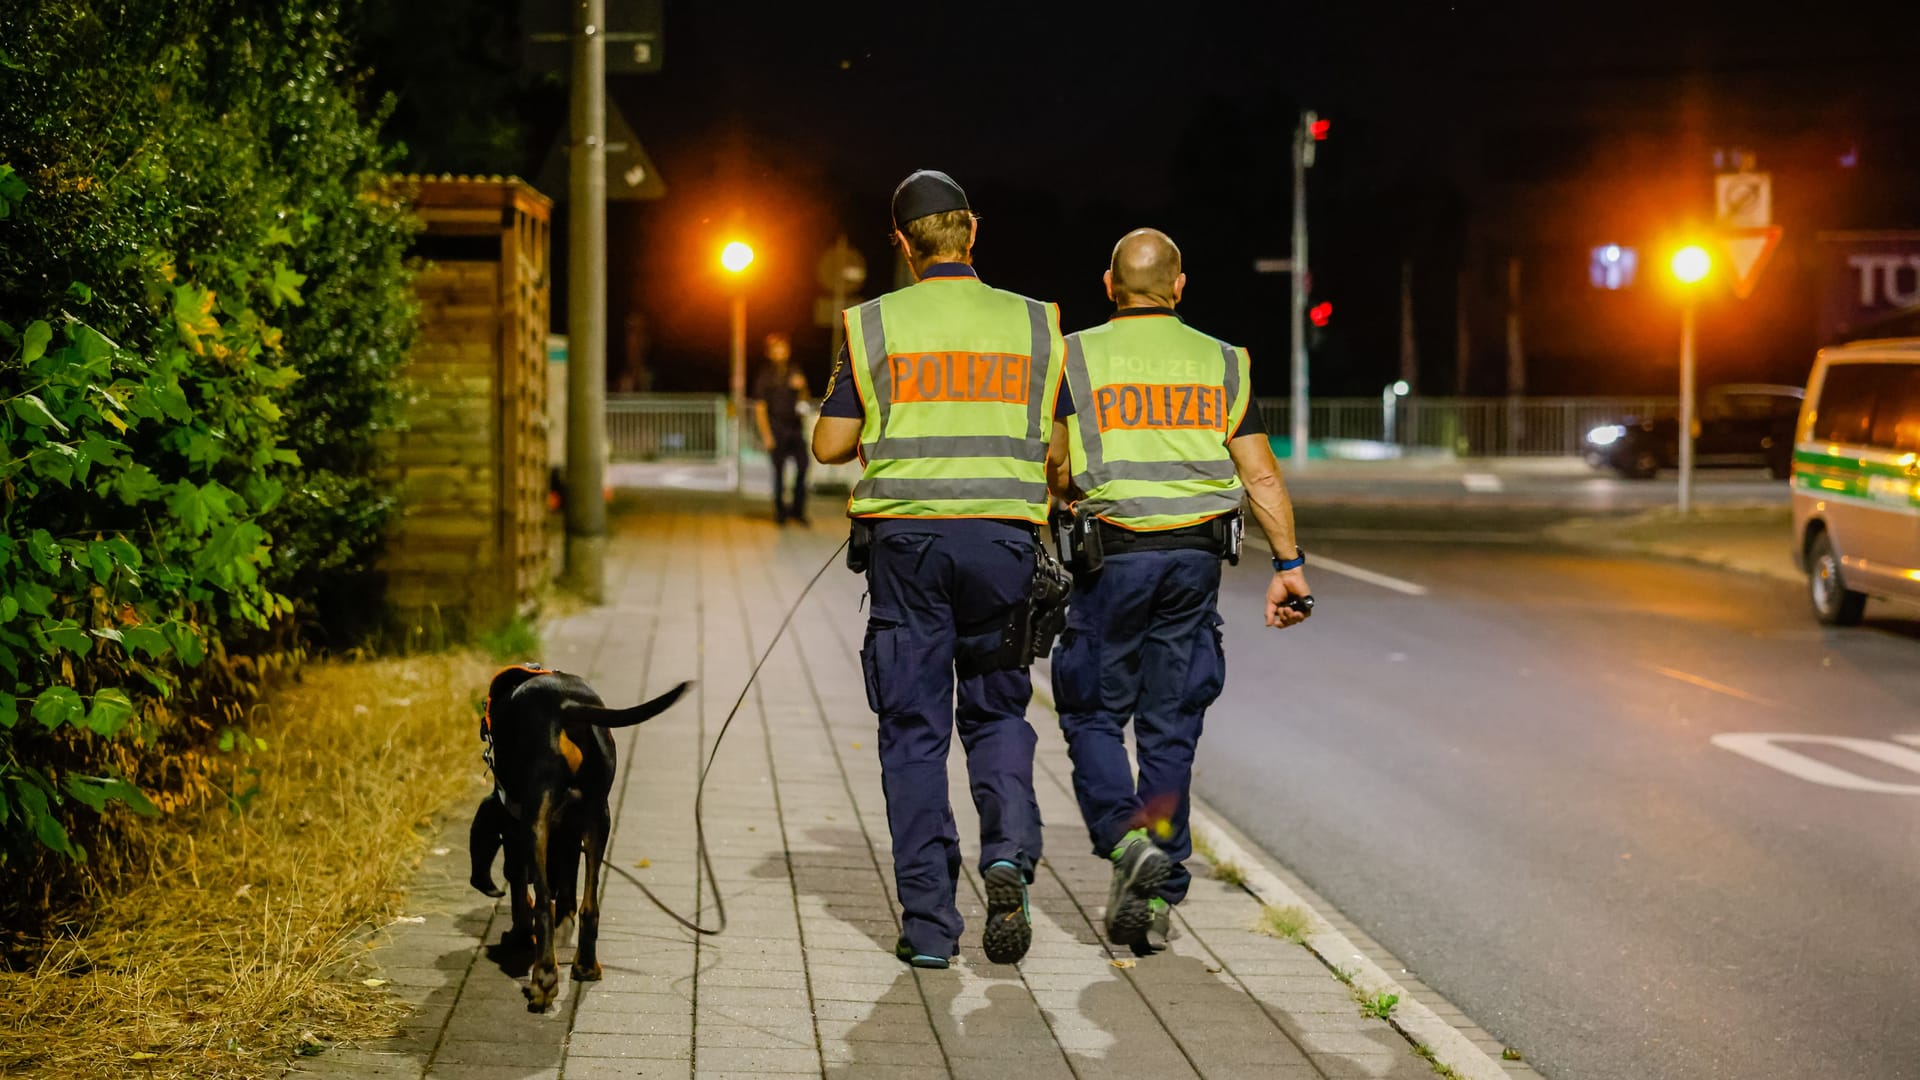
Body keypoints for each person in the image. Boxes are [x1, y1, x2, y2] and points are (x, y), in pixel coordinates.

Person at [813, 170, 1067, 969]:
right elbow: (1058, 454)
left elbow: (826, 445)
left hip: (910, 553)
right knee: (997, 715)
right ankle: (1008, 856)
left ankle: (929, 930)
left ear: (901, 242)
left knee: (913, 734)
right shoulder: (1037, 324)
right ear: (972, 231)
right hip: (1003, 548)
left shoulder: (871, 327)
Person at [1045, 228, 1312, 956]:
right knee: (1169, 725)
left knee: (1093, 711)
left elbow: (1057, 462)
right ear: (1179, 285)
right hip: (1194, 562)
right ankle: (1160, 889)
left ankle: (1126, 844)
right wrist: (1288, 564)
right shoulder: (1223, 361)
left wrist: (1059, 501)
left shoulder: (1074, 355)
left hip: (1111, 560)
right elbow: (1260, 474)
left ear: (1109, 286)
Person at [752, 332, 810, 524]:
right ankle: (780, 513)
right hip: (776, 427)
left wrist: (801, 387)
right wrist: (767, 435)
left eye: (783, 347)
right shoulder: (765, 375)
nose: (781, 351)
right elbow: (760, 407)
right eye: (777, 348)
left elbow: (805, 397)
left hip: (795, 427)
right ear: (770, 352)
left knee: (804, 466)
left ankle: (798, 510)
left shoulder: (794, 370)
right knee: (779, 472)